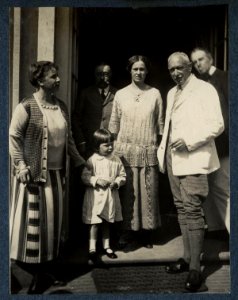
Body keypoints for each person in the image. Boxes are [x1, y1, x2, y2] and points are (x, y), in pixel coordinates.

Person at [9, 61, 86, 293]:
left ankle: (44, 272)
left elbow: (69, 140)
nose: (58, 80)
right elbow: (14, 137)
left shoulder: (61, 106)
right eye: (53, 77)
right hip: (32, 177)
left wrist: (81, 161)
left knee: (51, 226)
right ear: (41, 81)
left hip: (55, 175)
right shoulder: (27, 106)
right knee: (32, 228)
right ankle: (26, 275)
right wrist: (21, 166)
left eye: (58, 75)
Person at [157, 52, 224, 292]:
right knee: (182, 209)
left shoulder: (205, 89)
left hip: (195, 157)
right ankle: (187, 259)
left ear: (189, 67)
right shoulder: (172, 92)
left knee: (194, 210)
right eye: (171, 70)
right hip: (174, 158)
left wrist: (191, 141)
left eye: (179, 68)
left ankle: (196, 269)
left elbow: (217, 124)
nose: (176, 73)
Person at [109, 55, 164, 249]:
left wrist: (160, 147)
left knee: (148, 192)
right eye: (135, 69)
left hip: (148, 149)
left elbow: (160, 124)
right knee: (127, 193)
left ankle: (146, 234)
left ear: (147, 71)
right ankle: (127, 233)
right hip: (125, 150)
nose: (139, 72)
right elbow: (114, 124)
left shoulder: (155, 93)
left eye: (142, 69)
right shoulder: (121, 94)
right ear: (130, 71)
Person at [190, 47, 229, 234]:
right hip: (207, 144)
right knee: (211, 187)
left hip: (224, 143)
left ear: (211, 59)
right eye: (195, 62)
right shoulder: (200, 84)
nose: (198, 64)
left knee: (223, 187)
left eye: (201, 59)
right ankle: (216, 227)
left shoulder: (225, 78)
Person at [81, 129, 126, 263]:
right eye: (106, 145)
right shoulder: (92, 160)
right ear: (97, 146)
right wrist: (96, 180)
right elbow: (85, 176)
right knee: (94, 223)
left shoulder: (116, 160)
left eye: (111, 144)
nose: (110, 147)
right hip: (95, 197)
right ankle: (92, 248)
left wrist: (117, 183)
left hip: (109, 197)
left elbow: (122, 175)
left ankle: (107, 246)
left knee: (106, 222)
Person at [72, 62, 117, 159]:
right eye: (99, 74)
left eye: (105, 74)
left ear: (111, 75)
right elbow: (76, 119)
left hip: (111, 145)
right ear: (94, 75)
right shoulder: (85, 93)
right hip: (90, 145)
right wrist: (81, 141)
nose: (102, 78)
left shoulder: (118, 94)